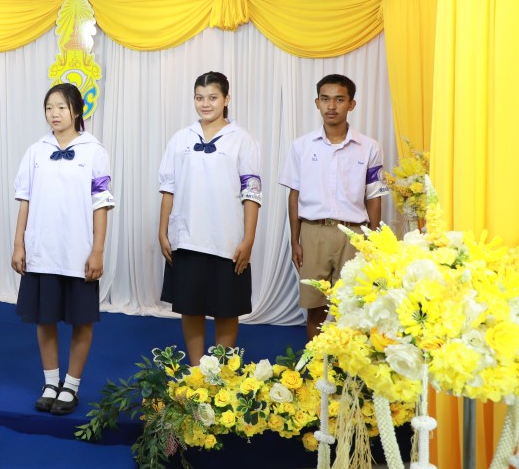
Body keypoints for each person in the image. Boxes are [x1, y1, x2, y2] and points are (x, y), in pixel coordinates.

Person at [11, 83, 115, 416]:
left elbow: (101, 204)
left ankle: (71, 385)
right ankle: (50, 382)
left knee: (81, 321)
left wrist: (97, 250)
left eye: (61, 107)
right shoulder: (35, 151)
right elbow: (25, 200)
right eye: (49, 107)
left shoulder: (94, 151)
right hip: (42, 249)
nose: (54, 114)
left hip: (78, 251)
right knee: (45, 319)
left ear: (77, 111)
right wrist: (19, 243)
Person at [158, 71, 261, 367]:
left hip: (226, 239)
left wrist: (248, 239)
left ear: (226, 99)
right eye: (199, 97)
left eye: (213, 97)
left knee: (227, 309)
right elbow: (168, 187)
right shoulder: (181, 138)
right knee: (190, 308)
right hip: (187, 237)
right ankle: (197, 371)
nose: (206, 104)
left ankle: (220, 372)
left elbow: (252, 193)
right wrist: (163, 231)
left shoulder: (242, 140)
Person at [280, 74, 388, 340]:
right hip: (314, 232)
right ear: (316, 102)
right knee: (315, 306)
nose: (331, 106)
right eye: (325, 99)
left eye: (339, 100)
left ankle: (348, 363)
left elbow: (374, 196)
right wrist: (295, 240)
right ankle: (317, 361)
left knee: (352, 305)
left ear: (351, 104)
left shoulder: (369, 148)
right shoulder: (302, 146)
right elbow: (294, 195)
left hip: (354, 234)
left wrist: (372, 241)